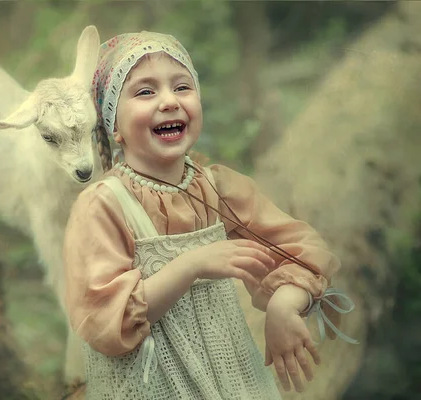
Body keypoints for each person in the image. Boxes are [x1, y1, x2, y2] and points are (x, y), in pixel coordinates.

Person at [63, 30, 356, 400]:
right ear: (113, 125)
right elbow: (105, 322)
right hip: (150, 387)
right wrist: (192, 265)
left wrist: (285, 304)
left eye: (182, 87)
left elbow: (301, 250)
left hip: (233, 380)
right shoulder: (103, 206)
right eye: (145, 91)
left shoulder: (218, 188)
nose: (169, 101)